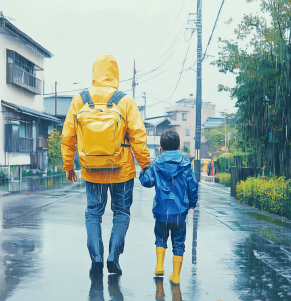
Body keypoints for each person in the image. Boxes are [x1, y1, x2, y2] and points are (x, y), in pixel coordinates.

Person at [61, 54, 151, 276]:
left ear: (94, 73)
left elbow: (68, 136)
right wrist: (145, 165)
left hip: (91, 169)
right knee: (121, 212)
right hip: (121, 170)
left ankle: (96, 259)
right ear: (115, 74)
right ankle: (113, 256)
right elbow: (138, 136)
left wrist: (68, 166)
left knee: (93, 213)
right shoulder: (125, 100)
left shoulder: (79, 99)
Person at [139, 129, 198, 285]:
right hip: (179, 212)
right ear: (179, 147)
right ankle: (176, 276)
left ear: (161, 147)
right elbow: (192, 186)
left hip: (161, 210)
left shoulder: (157, 163)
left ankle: (159, 266)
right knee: (179, 242)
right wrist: (192, 203)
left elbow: (147, 182)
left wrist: (142, 171)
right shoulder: (186, 164)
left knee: (160, 238)